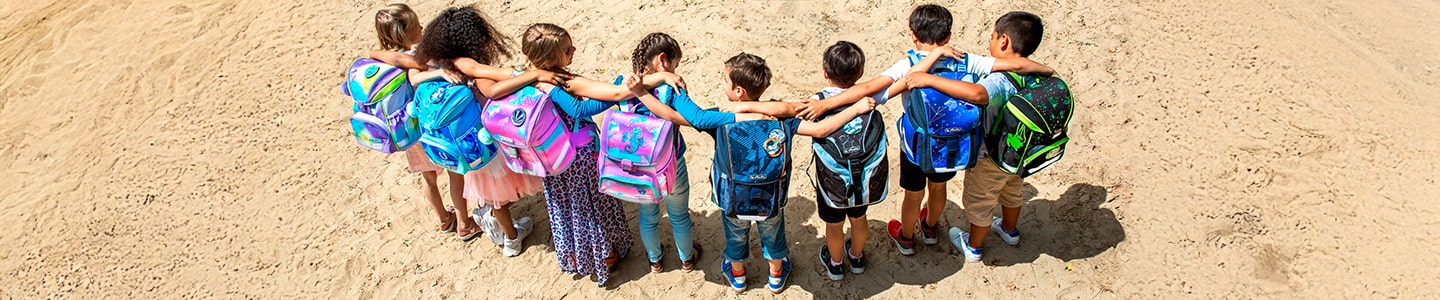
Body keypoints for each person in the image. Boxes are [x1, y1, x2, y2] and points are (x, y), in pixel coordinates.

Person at [625, 53, 876, 293]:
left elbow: (681, 117)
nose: (723, 84)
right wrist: (854, 110)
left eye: (725, 80)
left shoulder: (721, 118)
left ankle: (738, 276)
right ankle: (776, 276)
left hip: (733, 198)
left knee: (735, 237)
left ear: (738, 92)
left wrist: (643, 91)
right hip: (770, 198)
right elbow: (821, 130)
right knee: (773, 235)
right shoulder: (780, 117)